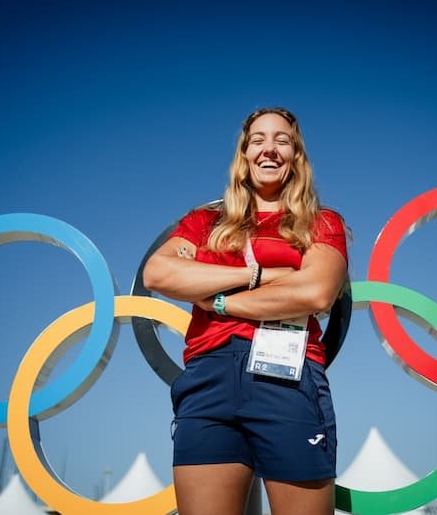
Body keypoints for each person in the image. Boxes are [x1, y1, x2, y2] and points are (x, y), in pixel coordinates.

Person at [143, 107, 348, 515]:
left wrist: (219, 300)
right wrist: (263, 275)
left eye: (281, 140)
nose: (269, 149)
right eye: (258, 140)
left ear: (296, 157)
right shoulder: (204, 222)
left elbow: (316, 292)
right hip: (208, 379)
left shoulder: (321, 223)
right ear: (244, 153)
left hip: (287, 380)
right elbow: (159, 273)